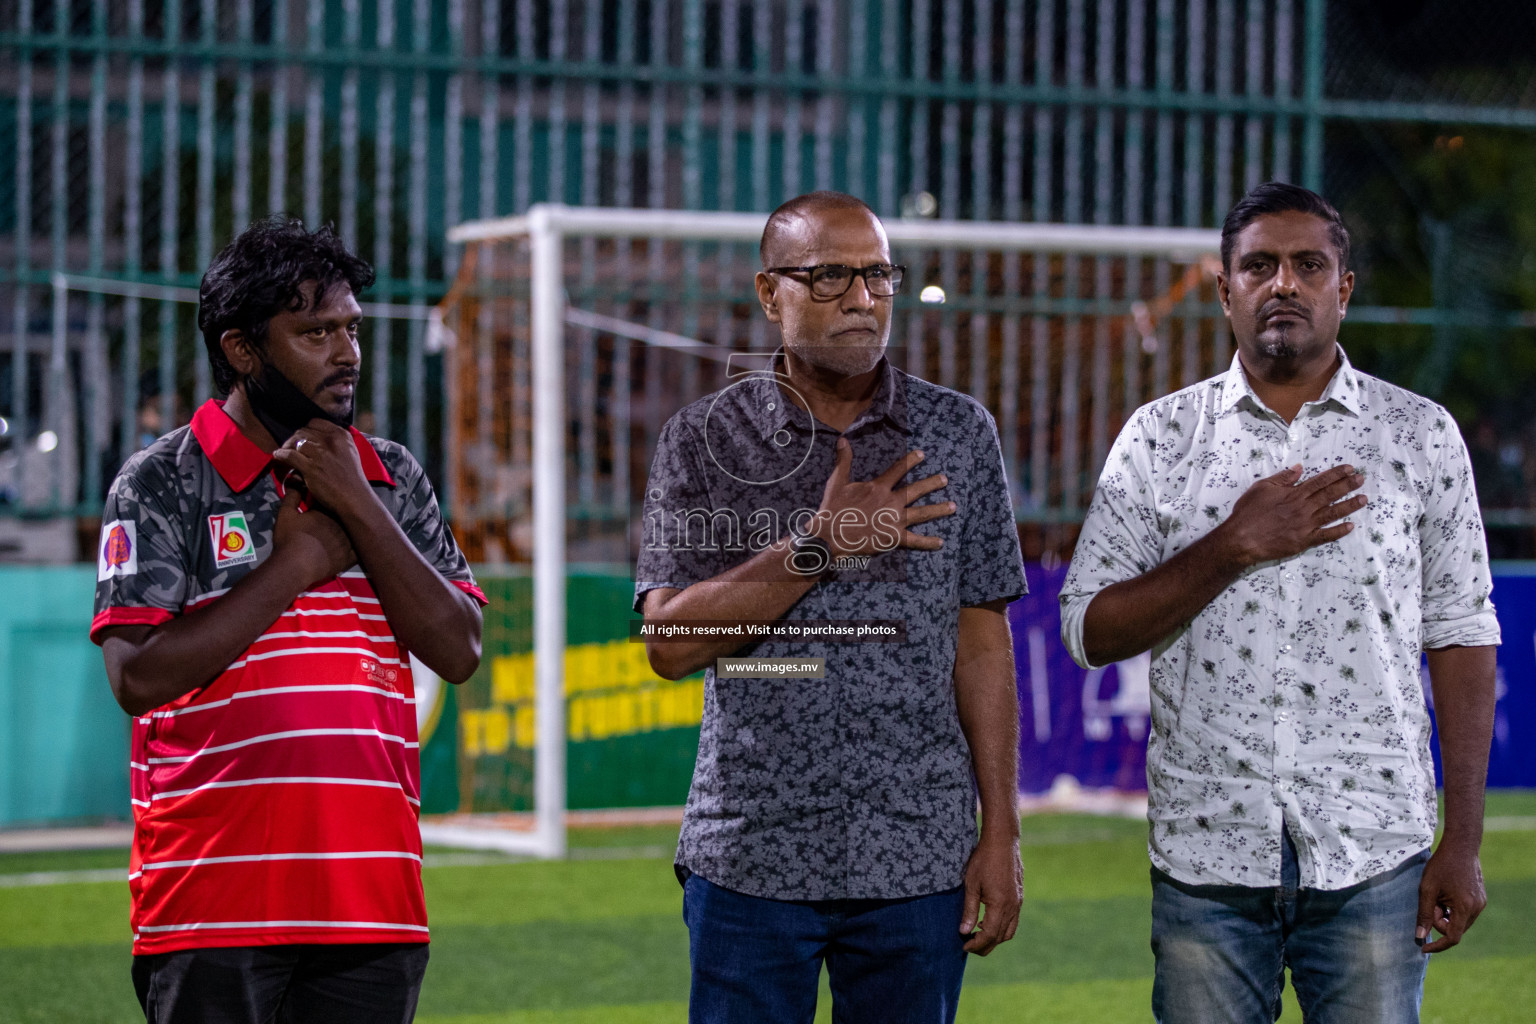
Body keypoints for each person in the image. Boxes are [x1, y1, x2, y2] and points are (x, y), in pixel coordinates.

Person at [1060, 182, 1500, 1023]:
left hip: (1375, 851)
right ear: (1226, 291)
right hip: (1207, 859)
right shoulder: (1161, 437)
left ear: (1345, 287)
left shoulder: (1419, 435)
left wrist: (1465, 841)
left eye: (1309, 264)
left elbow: (1463, 632)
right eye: (1260, 266)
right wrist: (1230, 546)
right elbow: (1087, 628)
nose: (1284, 284)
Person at [635, 191, 1028, 1023]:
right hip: (752, 852)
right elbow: (668, 643)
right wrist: (820, 546)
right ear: (767, 292)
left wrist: (1003, 833)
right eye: (829, 277)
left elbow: (982, 642)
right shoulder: (703, 438)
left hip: (918, 854)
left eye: (878, 274)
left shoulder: (958, 433)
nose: (861, 297)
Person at [91, 217, 486, 1024]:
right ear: (242, 350)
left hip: (372, 899)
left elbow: (458, 649)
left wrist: (355, 505)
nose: (347, 354)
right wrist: (295, 567)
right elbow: (137, 677)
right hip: (213, 901)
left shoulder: (393, 475)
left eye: (351, 328)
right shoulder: (163, 480)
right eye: (314, 333)